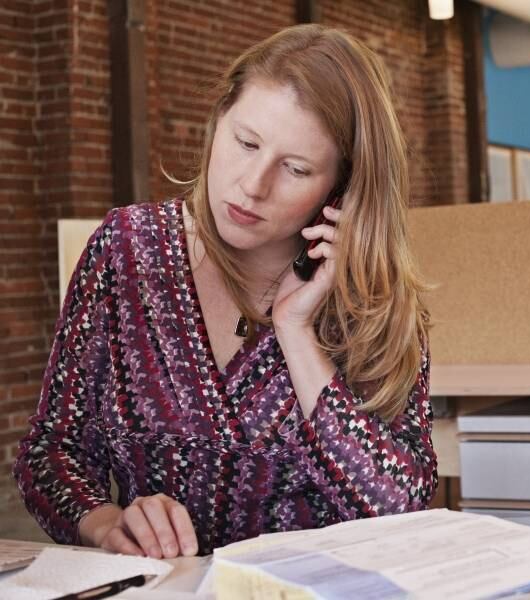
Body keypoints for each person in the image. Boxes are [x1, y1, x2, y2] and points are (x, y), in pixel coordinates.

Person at [14, 24, 437, 558]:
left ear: (342, 187)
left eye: (296, 168)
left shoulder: (372, 305)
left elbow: (402, 507)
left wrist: (295, 330)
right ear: (217, 123)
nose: (252, 184)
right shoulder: (127, 252)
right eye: (245, 142)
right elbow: (54, 450)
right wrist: (105, 523)